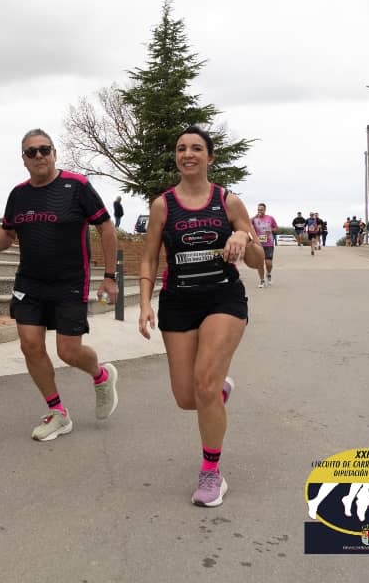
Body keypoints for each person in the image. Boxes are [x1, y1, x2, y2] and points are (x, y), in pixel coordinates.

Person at [137, 125, 263, 507]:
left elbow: (257, 261)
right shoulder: (163, 205)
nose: (187, 154)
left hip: (223, 298)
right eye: (181, 149)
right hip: (178, 301)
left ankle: (211, 473)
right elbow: (149, 257)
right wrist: (144, 303)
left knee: (204, 385)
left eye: (195, 148)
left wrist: (244, 237)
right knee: (187, 397)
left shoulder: (228, 201)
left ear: (210, 156)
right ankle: (219, 393)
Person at [0, 129, 120, 442]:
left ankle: (101, 375)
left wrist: (111, 276)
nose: (39, 156)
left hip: (70, 282)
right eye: (31, 152)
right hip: (30, 283)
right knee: (30, 345)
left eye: (45, 149)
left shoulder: (77, 186)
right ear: (24, 160)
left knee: (68, 352)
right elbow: (8, 233)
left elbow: (107, 229)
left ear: (54, 153)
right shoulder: (18, 194)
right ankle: (58, 412)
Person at [250, 202, 278, 287]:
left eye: (261, 210)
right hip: (258, 244)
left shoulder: (270, 218)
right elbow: (246, 223)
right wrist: (254, 217)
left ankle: (268, 274)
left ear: (265, 210)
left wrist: (271, 230)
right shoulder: (254, 219)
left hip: (269, 243)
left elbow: (276, 228)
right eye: (258, 210)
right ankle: (262, 280)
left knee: (268, 263)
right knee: (260, 263)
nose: (260, 211)